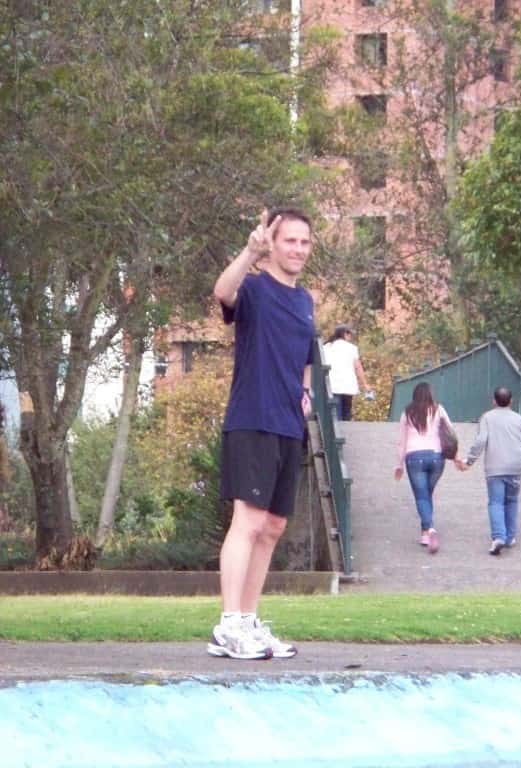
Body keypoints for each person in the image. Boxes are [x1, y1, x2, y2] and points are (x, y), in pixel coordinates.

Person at [208, 207, 316, 660]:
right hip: (252, 417)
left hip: (289, 425)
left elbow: (307, 353)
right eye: (290, 240)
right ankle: (229, 625)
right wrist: (247, 253)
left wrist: (306, 393)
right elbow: (222, 291)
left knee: (272, 526)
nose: (298, 250)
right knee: (248, 521)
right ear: (272, 243)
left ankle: (249, 622)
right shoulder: (253, 287)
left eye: (305, 242)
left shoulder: (305, 299)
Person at [456, 386, 521, 555]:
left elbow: (481, 440)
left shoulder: (487, 418)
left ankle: (498, 537)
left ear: (494, 401)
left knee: (496, 502)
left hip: (495, 467)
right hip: (516, 466)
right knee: (511, 500)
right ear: (511, 401)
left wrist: (469, 461)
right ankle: (510, 537)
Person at [394, 382, 454, 554]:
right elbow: (450, 431)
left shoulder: (408, 412)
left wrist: (399, 465)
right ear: (430, 394)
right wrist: (455, 455)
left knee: (421, 497)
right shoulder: (438, 409)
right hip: (437, 458)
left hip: (414, 457)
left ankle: (430, 529)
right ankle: (424, 534)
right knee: (427, 494)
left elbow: (401, 440)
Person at [322, 323, 372, 421]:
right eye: (350, 334)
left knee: (335, 414)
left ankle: (336, 434)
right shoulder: (352, 348)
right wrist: (365, 384)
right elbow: (358, 367)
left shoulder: (326, 347)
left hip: (332, 385)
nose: (350, 337)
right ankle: (346, 432)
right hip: (348, 386)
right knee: (346, 413)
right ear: (345, 334)